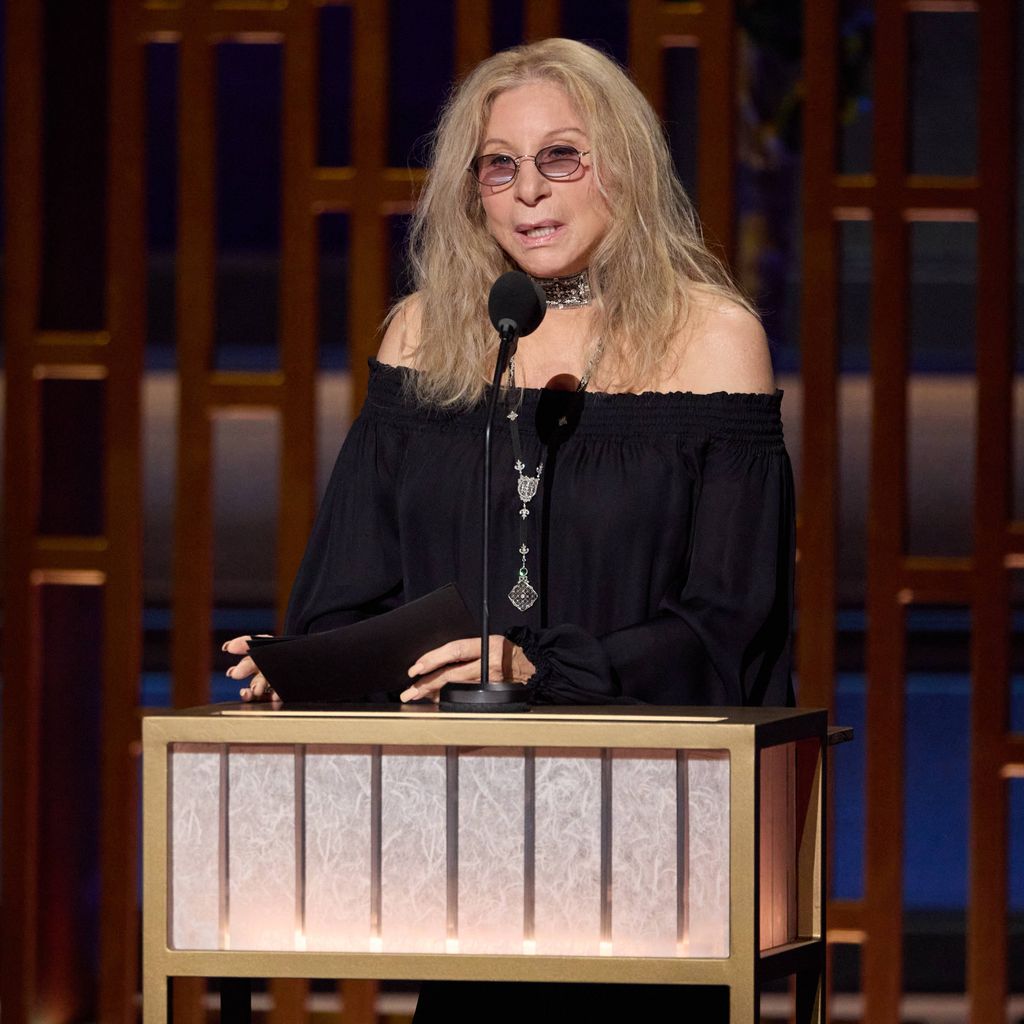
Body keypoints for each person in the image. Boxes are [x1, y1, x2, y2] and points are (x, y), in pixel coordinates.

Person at [225, 37, 794, 1018]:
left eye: (561, 157)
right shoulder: (428, 336)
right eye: (500, 165)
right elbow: (352, 587)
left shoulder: (712, 338)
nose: (528, 190)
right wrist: (312, 669)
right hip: (465, 833)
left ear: (624, 166)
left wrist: (544, 668)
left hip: (648, 833)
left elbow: (730, 621)